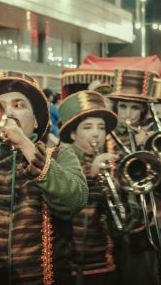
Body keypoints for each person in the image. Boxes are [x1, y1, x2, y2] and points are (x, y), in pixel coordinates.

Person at [0, 71, 88, 285]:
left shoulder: (59, 154)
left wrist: (24, 144)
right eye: (0, 106)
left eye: (19, 105)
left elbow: (75, 200)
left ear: (36, 121)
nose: (8, 113)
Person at [59, 90, 119, 285]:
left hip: (104, 259)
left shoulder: (110, 161)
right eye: (88, 127)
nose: (96, 133)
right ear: (73, 133)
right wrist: (91, 177)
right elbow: (65, 206)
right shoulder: (62, 159)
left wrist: (121, 191)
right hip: (73, 262)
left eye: (101, 127)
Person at [107, 68, 160, 285]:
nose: (127, 114)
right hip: (116, 222)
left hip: (150, 221)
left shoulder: (155, 136)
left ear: (144, 111)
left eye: (134, 108)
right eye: (123, 107)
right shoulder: (105, 134)